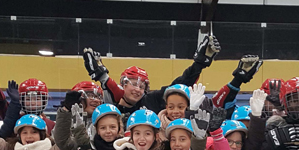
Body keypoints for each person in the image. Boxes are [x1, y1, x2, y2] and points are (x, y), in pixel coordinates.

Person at [81, 32, 219, 114]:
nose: (137, 89)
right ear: (123, 84)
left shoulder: (151, 100)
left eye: (142, 86)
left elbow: (180, 84)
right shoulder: (108, 104)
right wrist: (102, 77)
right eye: (134, 84)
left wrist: (198, 64)